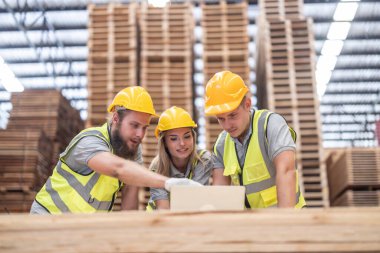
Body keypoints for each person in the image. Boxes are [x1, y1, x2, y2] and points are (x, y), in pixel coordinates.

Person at [30, 86, 201, 214]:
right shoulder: (89, 140)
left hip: (83, 232)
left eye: (144, 127)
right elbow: (117, 168)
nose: (140, 134)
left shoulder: (132, 150)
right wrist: (167, 182)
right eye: (134, 126)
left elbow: (129, 201)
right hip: (48, 218)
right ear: (116, 118)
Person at [204, 71, 306, 208]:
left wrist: (284, 222)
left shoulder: (270, 125)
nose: (227, 125)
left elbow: (286, 171)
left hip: (290, 219)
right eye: (221, 119)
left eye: (233, 116)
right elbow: (220, 193)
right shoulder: (221, 145)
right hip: (255, 224)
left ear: (247, 104)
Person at [147, 106, 213, 210]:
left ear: (193, 137)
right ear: (164, 143)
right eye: (174, 139)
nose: (182, 143)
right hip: (159, 221)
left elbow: (196, 201)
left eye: (187, 137)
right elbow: (163, 209)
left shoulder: (203, 160)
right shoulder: (156, 168)